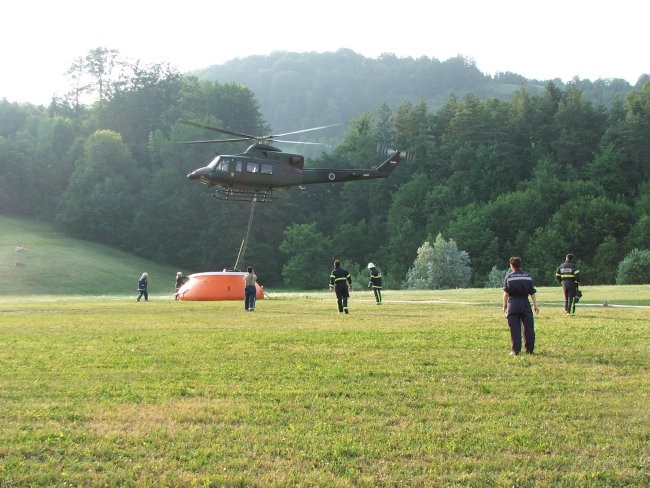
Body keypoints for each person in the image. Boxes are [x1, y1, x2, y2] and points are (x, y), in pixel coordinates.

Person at [502, 256, 539, 355]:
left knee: (514, 328)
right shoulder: (528, 276)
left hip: (513, 304)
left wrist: (504, 306)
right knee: (528, 328)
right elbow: (532, 292)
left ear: (511, 265)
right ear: (520, 265)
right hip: (525, 303)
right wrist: (535, 305)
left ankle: (515, 351)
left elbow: (506, 294)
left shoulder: (509, 277)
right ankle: (530, 350)